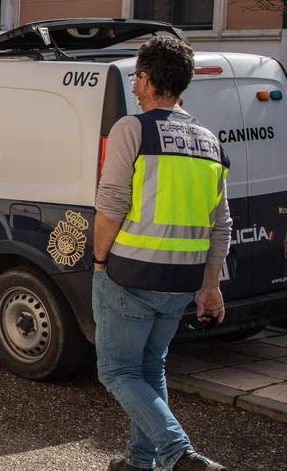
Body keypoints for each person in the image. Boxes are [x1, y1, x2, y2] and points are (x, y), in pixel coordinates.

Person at [93, 36, 231, 471]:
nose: (135, 87)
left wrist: (99, 261)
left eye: (137, 78)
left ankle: (179, 454)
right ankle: (138, 461)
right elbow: (220, 223)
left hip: (130, 274)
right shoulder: (210, 142)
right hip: (181, 281)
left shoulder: (132, 128)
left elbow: (111, 202)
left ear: (150, 80)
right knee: (151, 369)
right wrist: (210, 286)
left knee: (117, 372)